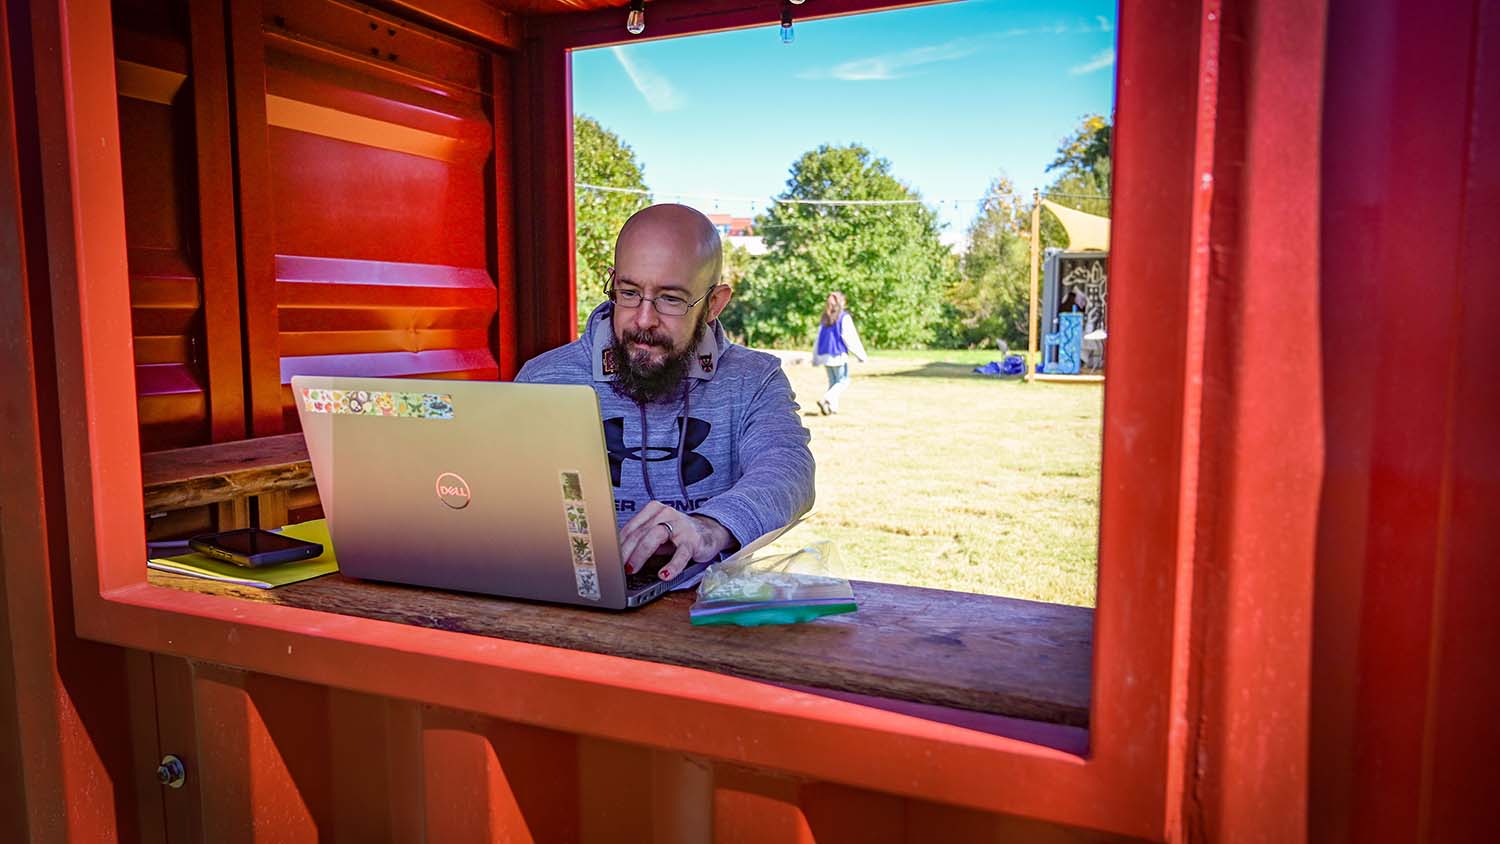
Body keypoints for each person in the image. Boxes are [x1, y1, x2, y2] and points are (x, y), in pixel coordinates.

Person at [516, 204, 815, 583]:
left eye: (671, 299)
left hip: (709, 603)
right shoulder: (544, 380)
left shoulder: (755, 379)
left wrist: (710, 526)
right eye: (628, 292)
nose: (643, 319)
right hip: (574, 597)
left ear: (714, 303)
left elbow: (789, 470)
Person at [810, 291, 868, 415]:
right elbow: (850, 338)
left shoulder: (824, 318)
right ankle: (827, 398)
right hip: (837, 355)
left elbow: (818, 339)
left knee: (833, 381)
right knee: (843, 381)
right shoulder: (843, 317)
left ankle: (832, 408)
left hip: (824, 355)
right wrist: (861, 355)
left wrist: (815, 357)